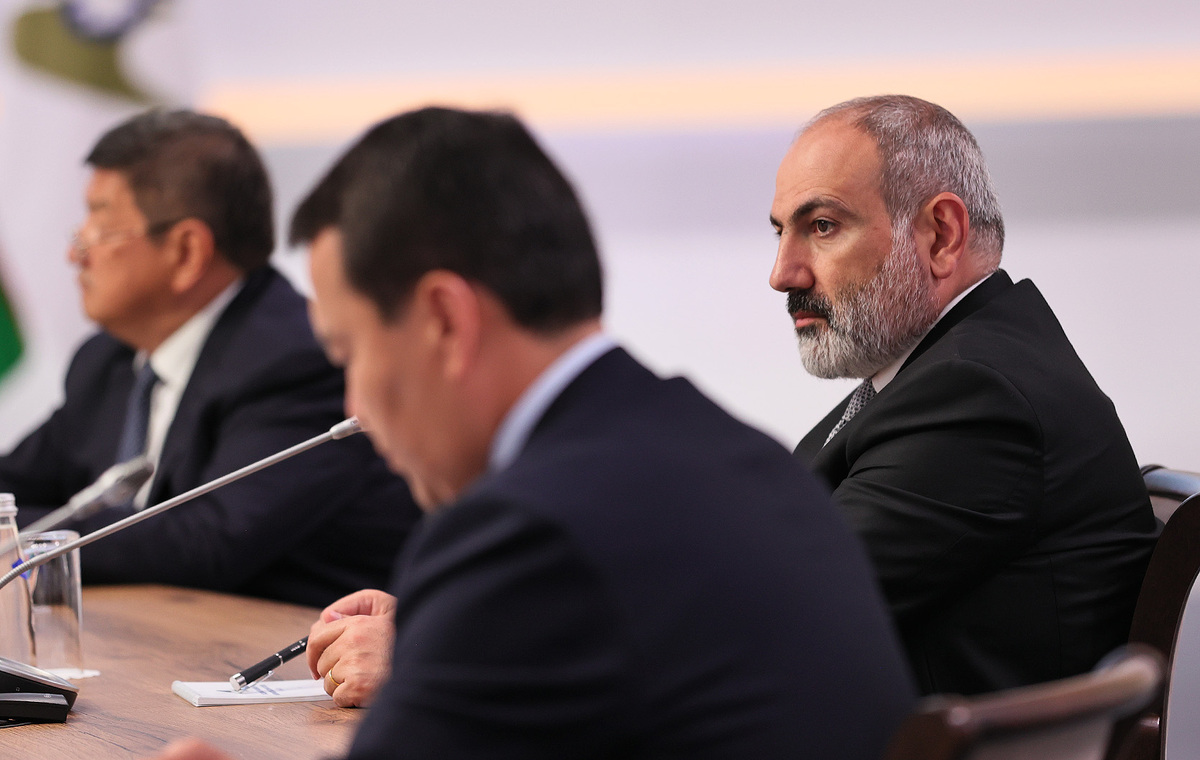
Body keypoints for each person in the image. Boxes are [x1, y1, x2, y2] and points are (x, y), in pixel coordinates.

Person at [156, 106, 915, 760]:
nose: (353, 405)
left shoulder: (527, 534)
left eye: (349, 353)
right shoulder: (735, 453)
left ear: (444, 321)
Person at [769, 94, 1159, 695]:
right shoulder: (943, 371)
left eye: (822, 226)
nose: (783, 274)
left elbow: (778, 606)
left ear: (941, 235)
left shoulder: (978, 394)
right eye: (780, 233)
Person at [2, 109, 420, 608]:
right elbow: (16, 483)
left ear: (186, 252)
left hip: (298, 646)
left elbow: (206, 543)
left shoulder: (296, 359)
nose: (76, 256)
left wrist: (16, 539)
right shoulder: (107, 362)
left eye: (100, 231)